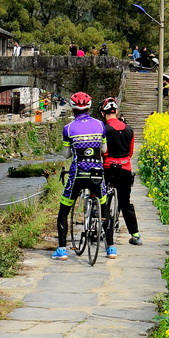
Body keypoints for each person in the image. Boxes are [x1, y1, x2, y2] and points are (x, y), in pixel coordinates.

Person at [53, 91, 115, 261]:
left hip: (77, 175)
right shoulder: (101, 125)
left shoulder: (68, 128)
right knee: (104, 209)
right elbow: (104, 150)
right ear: (89, 107)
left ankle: (62, 250)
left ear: (73, 108)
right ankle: (111, 249)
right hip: (97, 174)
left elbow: (66, 155)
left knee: (63, 211)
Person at [101, 97, 141, 245]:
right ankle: (135, 235)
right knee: (125, 202)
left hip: (108, 169)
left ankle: (101, 230)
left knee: (102, 199)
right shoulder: (129, 129)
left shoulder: (104, 129)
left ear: (103, 113)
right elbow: (130, 153)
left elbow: (102, 152)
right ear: (116, 112)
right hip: (125, 169)